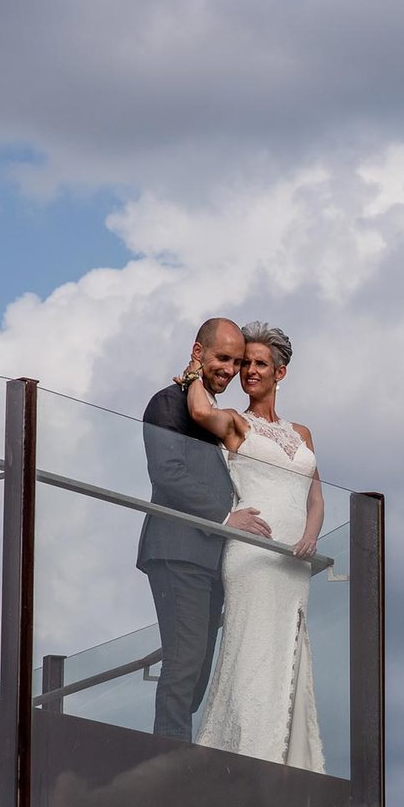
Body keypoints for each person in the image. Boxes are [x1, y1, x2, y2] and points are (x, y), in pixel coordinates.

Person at [182, 320, 327, 772]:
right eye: (245, 363)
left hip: (294, 563)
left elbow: (316, 498)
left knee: (288, 654)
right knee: (250, 654)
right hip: (252, 556)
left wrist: (310, 536)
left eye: (260, 364)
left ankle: (287, 762)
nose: (249, 371)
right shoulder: (236, 422)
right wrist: (194, 371)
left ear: (280, 373)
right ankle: (243, 762)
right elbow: (200, 411)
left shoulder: (302, 434)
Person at [136, 317, 271, 741]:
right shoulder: (167, 403)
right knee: (184, 662)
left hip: (213, 559)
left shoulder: (215, 414)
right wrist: (226, 518)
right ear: (198, 352)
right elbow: (167, 473)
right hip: (177, 551)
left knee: (198, 671)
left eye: (236, 362)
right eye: (222, 358)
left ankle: (177, 748)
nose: (230, 370)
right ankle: (168, 758)